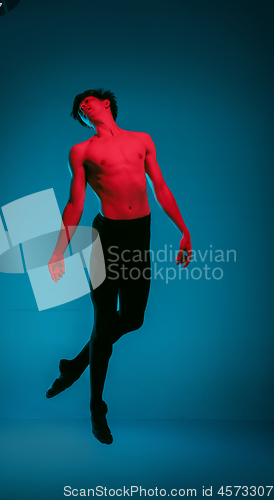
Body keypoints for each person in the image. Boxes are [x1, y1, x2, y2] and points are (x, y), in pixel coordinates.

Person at [47, 88, 192, 445]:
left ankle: (75, 365)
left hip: (139, 234)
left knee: (134, 318)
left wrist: (184, 230)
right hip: (105, 237)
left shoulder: (142, 140)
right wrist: (58, 251)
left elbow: (159, 186)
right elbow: (74, 203)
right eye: (79, 108)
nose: (83, 106)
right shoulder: (81, 151)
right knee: (104, 321)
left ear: (106, 104)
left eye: (88, 101)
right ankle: (97, 407)